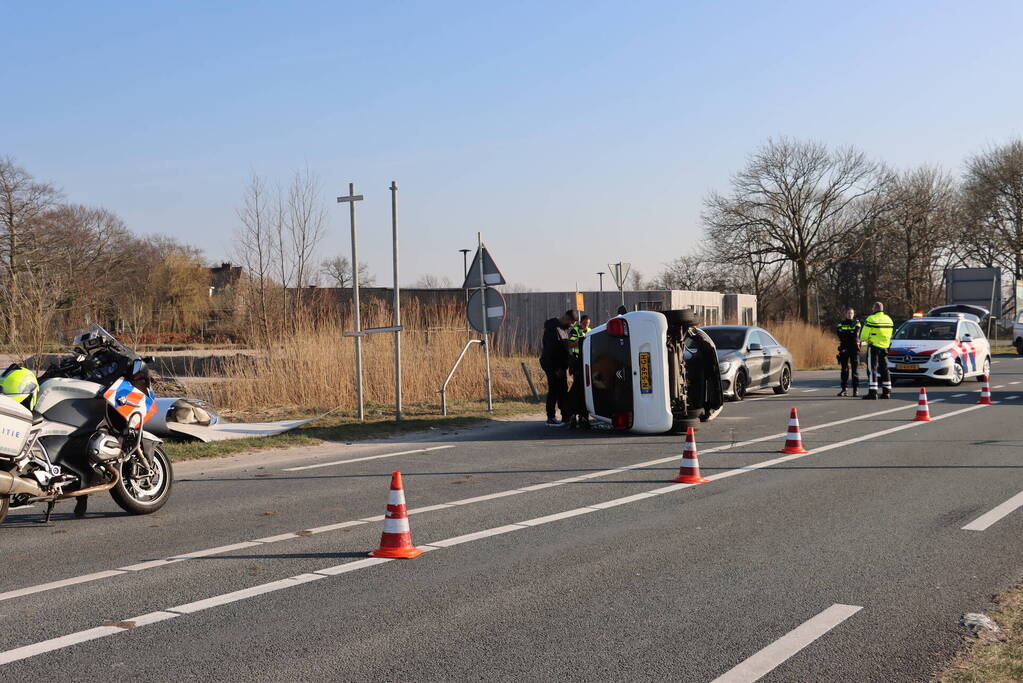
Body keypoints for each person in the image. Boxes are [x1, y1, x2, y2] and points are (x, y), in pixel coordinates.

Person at [540, 309, 577, 426]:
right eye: (571, 324)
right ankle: (550, 417)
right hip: (552, 365)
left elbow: (564, 348)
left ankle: (565, 416)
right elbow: (551, 350)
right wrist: (556, 369)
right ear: (566, 319)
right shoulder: (553, 328)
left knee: (562, 389)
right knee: (554, 389)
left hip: (560, 365)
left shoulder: (563, 329)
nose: (571, 327)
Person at [860, 301, 894, 400]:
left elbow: (863, 336)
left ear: (874, 309)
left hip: (874, 347)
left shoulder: (871, 319)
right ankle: (887, 392)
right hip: (885, 347)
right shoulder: (889, 319)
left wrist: (868, 338)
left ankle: (873, 392)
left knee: (872, 369)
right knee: (885, 369)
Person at [565, 315, 592, 428]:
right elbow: (569, 344)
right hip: (577, 361)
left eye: (588, 323)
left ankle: (582, 416)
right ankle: (575, 414)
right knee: (578, 388)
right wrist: (580, 343)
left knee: (584, 389)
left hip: (587, 361)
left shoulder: (591, 331)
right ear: (581, 322)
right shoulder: (575, 330)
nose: (586, 325)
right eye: (584, 323)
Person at [835, 309, 861, 397]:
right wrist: (849, 334)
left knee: (855, 370)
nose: (850, 314)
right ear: (845, 314)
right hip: (844, 349)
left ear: (854, 314)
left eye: (851, 313)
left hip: (854, 349)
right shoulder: (841, 323)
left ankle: (855, 390)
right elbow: (840, 335)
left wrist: (846, 334)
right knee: (844, 370)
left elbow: (855, 335)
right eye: (848, 313)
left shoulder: (857, 323)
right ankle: (844, 389)